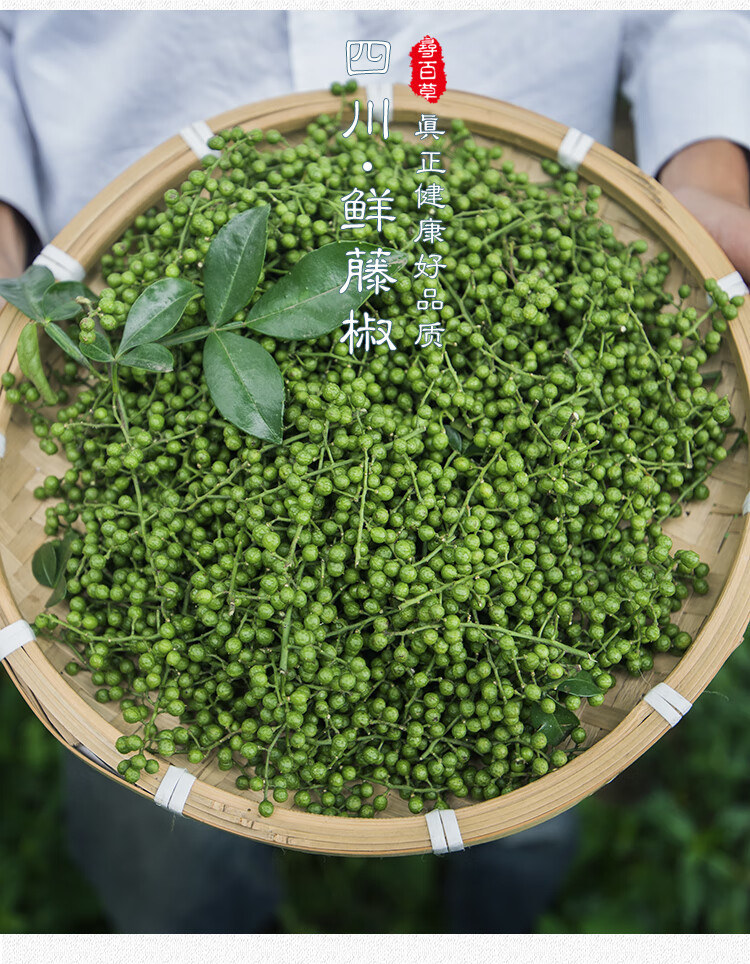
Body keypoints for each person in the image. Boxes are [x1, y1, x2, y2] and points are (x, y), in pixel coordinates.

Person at [2, 9, 750, 934]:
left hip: (485, 174)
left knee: (534, 774)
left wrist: (708, 168)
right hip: (128, 262)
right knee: (168, 853)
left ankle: (497, 908)